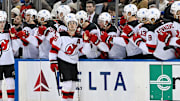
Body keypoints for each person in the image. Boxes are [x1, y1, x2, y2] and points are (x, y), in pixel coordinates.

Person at [49, 13, 91, 101]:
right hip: (63, 62)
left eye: (74, 23)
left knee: (73, 86)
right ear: (67, 25)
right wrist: (53, 62)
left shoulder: (79, 37)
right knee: (67, 85)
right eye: (70, 23)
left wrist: (87, 41)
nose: (72, 25)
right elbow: (54, 49)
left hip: (74, 63)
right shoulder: (60, 35)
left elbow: (84, 51)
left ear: (77, 25)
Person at [0, 10, 15, 101]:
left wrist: (14, 36)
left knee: (10, 83)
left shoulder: (9, 30)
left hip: (9, 61)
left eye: (3, 22)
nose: (2, 24)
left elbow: (16, 46)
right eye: (0, 22)